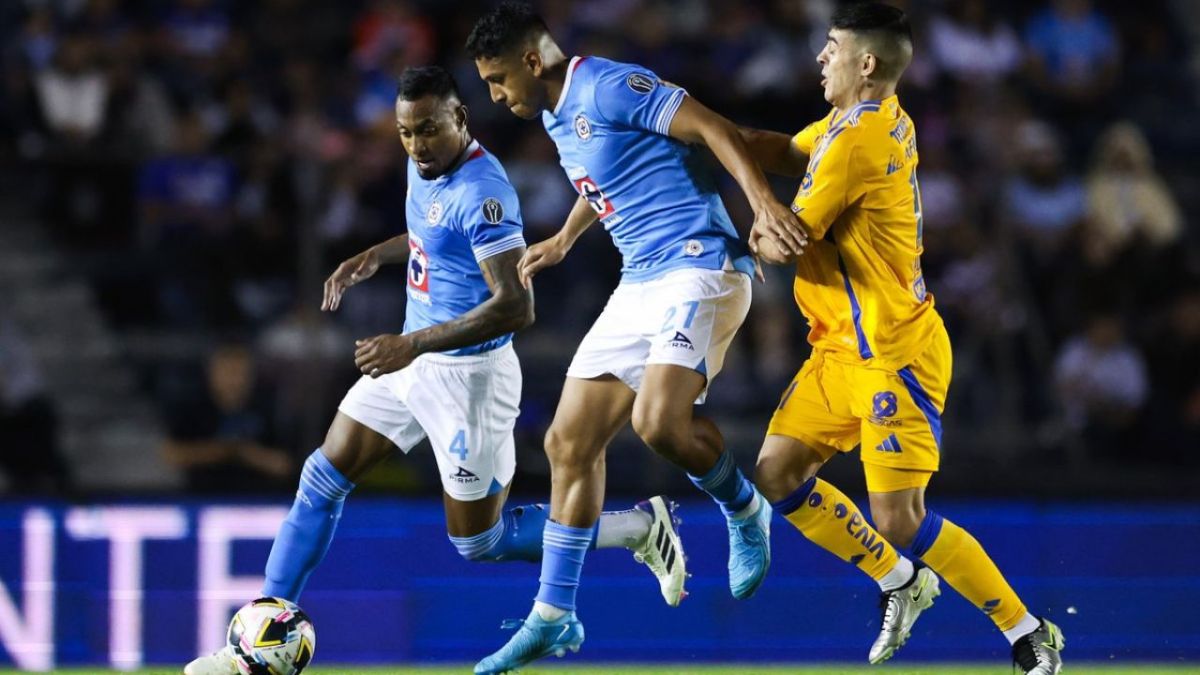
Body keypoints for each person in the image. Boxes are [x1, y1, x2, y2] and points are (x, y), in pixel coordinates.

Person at [184, 66, 684, 675]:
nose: (416, 145)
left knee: (480, 542)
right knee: (323, 475)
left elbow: (515, 306)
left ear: (460, 120)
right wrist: (377, 254)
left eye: (427, 131)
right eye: (405, 133)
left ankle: (635, 528)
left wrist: (412, 344)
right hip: (412, 359)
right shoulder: (425, 167)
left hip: (469, 380)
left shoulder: (485, 192)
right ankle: (256, 640)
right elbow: (431, 232)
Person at [465, 3, 807, 672]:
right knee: (568, 441)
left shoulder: (607, 83)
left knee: (658, 422)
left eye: (500, 79)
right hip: (641, 279)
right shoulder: (560, 112)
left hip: (699, 263)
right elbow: (613, 174)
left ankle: (744, 510)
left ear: (533, 61)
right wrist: (565, 238)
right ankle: (555, 616)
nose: (497, 96)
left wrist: (764, 204)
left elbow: (710, 127)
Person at [741, 4, 1064, 674]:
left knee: (900, 516)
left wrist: (742, 223)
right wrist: (705, 133)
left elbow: (783, 238)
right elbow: (784, 151)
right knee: (776, 472)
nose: (820, 59)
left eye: (831, 48)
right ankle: (900, 581)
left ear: (867, 63)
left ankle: (1027, 631)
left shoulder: (859, 140)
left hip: (893, 353)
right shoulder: (860, 121)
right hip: (839, 348)